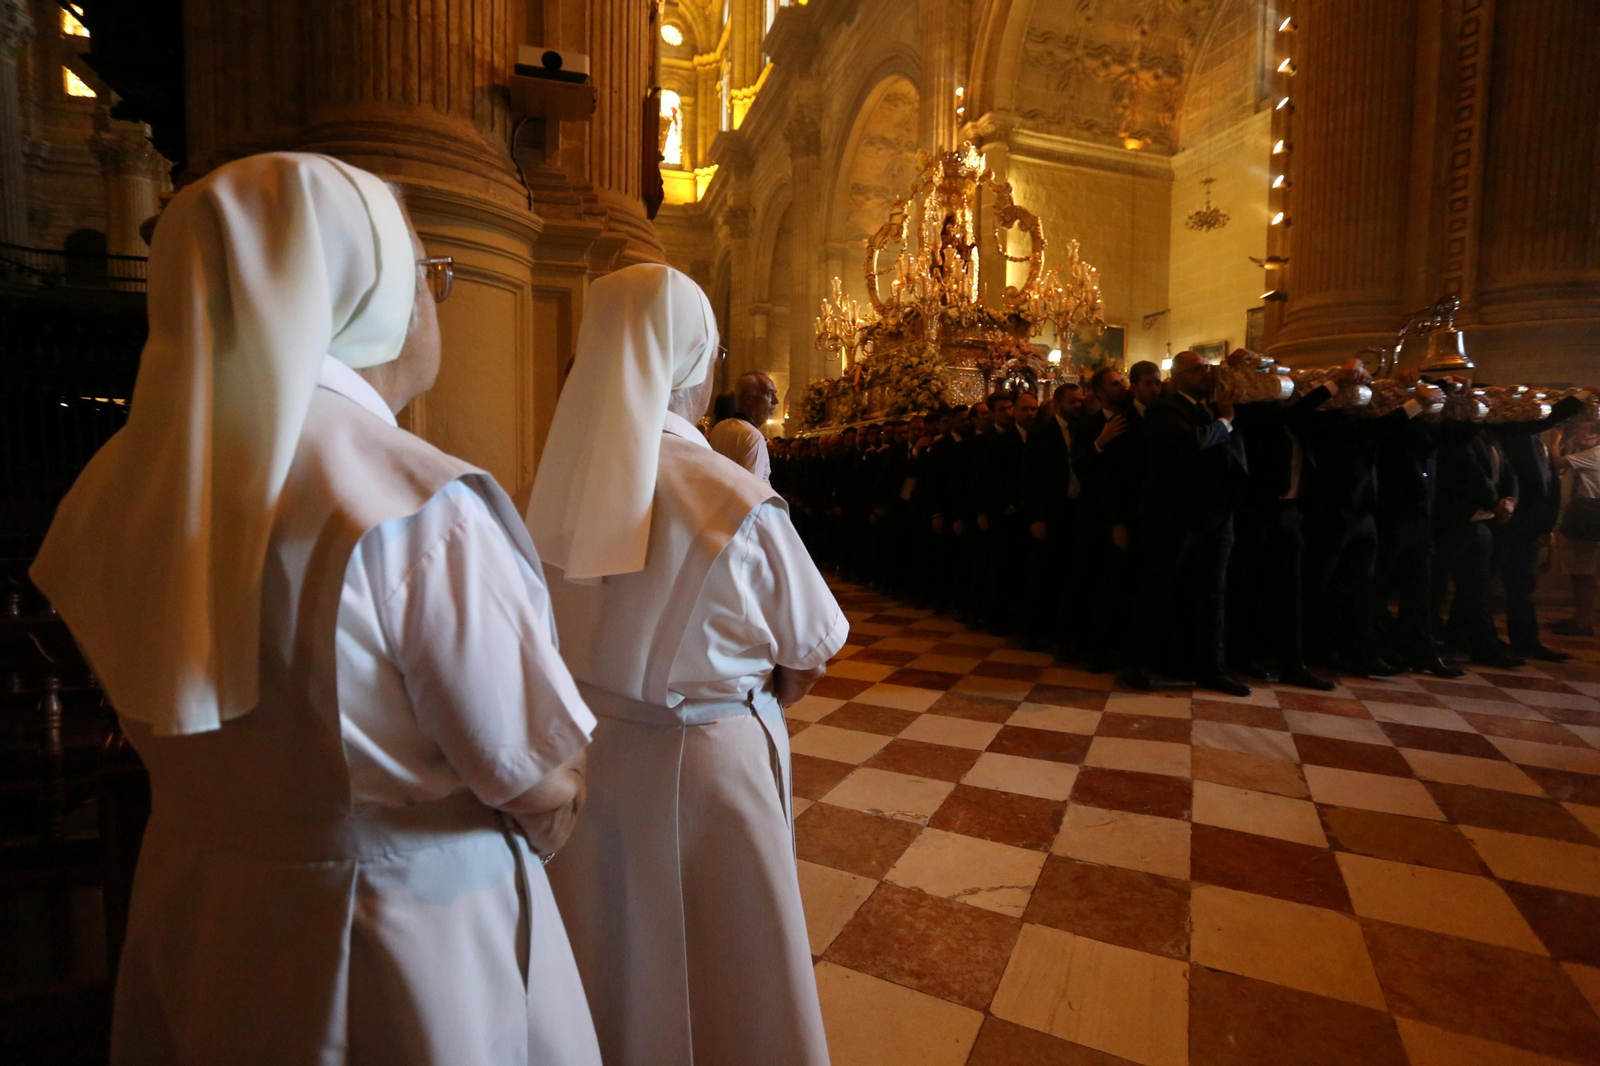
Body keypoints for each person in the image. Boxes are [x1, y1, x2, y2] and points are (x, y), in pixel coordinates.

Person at [31, 154, 601, 1064]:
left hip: (201, 909)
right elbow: (527, 772)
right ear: (367, 294)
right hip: (402, 932)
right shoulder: (414, 501)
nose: (437, 299)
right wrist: (564, 799)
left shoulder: (112, 486)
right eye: (428, 272)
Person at [527, 264, 844, 1066]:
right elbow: (808, 651)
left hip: (593, 758)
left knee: (613, 954)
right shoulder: (731, 496)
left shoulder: (548, 486)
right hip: (709, 763)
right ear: (692, 359)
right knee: (730, 973)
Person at [1124, 351, 1249, 696]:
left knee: (1212, 594)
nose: (1205, 374)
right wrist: (1223, 423)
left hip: (1216, 516)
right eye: (1198, 370)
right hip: (1173, 518)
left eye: (1207, 368)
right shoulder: (1164, 409)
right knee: (1158, 591)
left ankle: (1212, 667)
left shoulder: (1210, 407)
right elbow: (1191, 443)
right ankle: (1137, 663)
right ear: (1177, 377)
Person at [1492, 392, 1588, 660]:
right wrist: (1579, 397)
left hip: (1529, 526)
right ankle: (1509, 641)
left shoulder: (1536, 440)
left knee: (1522, 585)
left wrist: (1546, 526)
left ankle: (1523, 641)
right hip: (1511, 524)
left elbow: (1548, 485)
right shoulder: (1511, 432)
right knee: (1511, 585)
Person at [1553, 419, 1600, 637]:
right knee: (1581, 570)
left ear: (1595, 437)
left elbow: (1557, 462)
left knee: (1582, 570)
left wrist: (1555, 439)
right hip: (1585, 517)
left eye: (1582, 430)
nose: (1577, 433)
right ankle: (1580, 617)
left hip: (1586, 517)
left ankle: (1582, 621)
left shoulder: (1594, 454)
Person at [709, 369, 778, 480]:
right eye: (769, 394)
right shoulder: (752, 436)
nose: (776, 401)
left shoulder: (719, 428)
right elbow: (752, 490)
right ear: (748, 398)